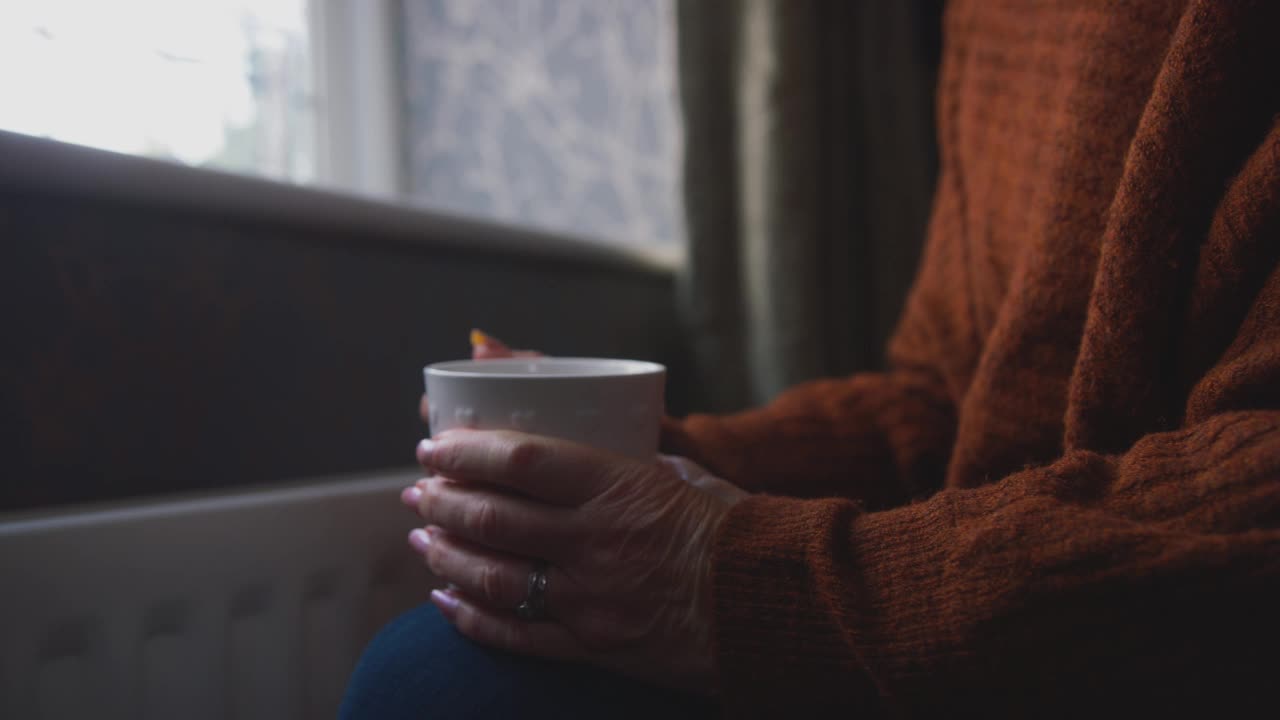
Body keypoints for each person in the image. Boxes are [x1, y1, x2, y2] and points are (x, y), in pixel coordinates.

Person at [341, 1, 1280, 716]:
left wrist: (740, 580)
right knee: (429, 668)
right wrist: (648, 461)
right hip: (965, 588)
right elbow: (947, 399)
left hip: (1087, 626)